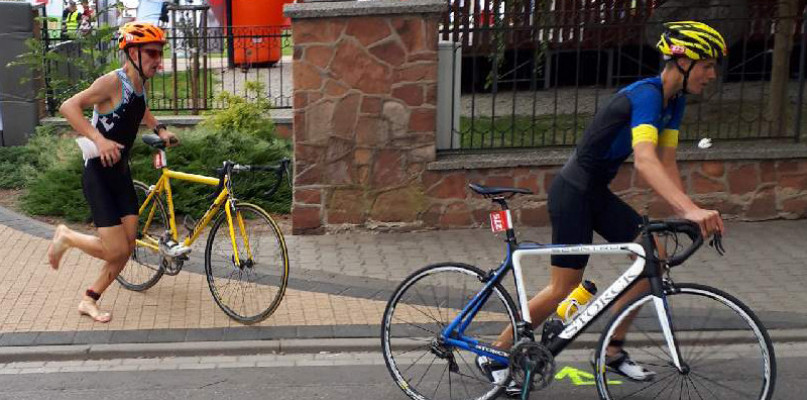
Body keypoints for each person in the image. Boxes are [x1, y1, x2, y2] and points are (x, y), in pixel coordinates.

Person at [477, 21, 728, 396]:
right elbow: (644, 161)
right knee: (565, 288)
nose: (712, 74)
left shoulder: (674, 102)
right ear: (682, 60)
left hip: (596, 194)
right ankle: (495, 353)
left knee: (652, 256)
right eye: (707, 64)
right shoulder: (646, 96)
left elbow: (667, 161)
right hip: (572, 192)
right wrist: (691, 210)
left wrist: (685, 210)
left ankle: (612, 348)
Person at [47, 22, 178, 323]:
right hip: (98, 176)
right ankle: (66, 236)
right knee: (114, 250)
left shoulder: (140, 83)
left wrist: (159, 128)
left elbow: (139, 107)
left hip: (120, 172)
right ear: (132, 52)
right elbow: (69, 107)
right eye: (152, 53)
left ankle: (89, 299)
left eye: (160, 53)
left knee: (127, 246)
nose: (158, 60)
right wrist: (99, 139)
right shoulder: (110, 82)